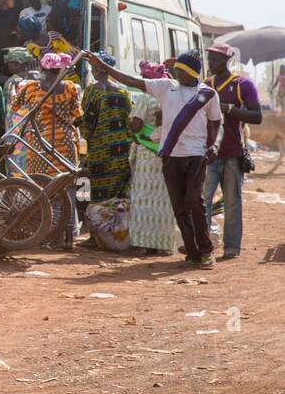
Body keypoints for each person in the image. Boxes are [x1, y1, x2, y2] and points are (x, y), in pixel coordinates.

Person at [85, 50, 221, 267]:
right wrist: (104, 66)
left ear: (191, 72)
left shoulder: (208, 94)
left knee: (194, 201)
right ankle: (193, 254)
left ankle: (206, 251)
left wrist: (214, 144)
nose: (176, 74)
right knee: (178, 206)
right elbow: (131, 80)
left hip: (196, 155)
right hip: (170, 155)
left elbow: (216, 122)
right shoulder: (167, 88)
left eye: (180, 71)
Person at [8, 52, 84, 247]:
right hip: (65, 143)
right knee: (66, 190)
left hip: (39, 143)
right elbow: (76, 114)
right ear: (60, 70)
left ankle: (49, 236)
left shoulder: (30, 87)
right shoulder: (70, 88)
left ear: (42, 68)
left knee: (42, 190)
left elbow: (15, 106)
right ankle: (67, 238)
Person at [203, 43, 262, 260]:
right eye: (209, 59)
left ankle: (231, 248)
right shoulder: (206, 85)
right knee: (202, 202)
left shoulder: (241, 84)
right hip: (209, 154)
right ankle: (204, 245)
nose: (211, 63)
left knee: (232, 203)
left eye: (215, 60)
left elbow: (257, 116)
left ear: (226, 61)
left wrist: (231, 110)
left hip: (233, 153)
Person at [126, 61, 180, 255]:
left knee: (142, 197)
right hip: (168, 152)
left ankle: (141, 243)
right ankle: (163, 245)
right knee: (164, 199)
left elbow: (136, 125)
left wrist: (130, 122)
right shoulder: (171, 96)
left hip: (147, 154)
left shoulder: (145, 98)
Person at [80, 52, 133, 202]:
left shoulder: (92, 91)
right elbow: (129, 116)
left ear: (96, 70)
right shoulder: (122, 91)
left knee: (90, 183)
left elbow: (87, 120)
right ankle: (114, 218)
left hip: (99, 147)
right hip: (122, 148)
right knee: (117, 188)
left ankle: (90, 215)